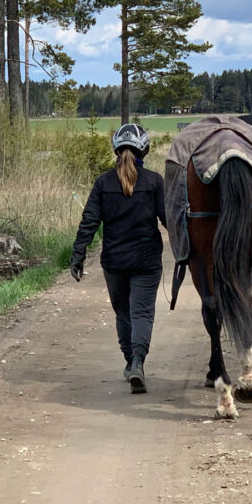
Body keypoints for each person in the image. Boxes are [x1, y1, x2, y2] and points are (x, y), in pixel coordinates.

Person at [70, 123, 166, 394]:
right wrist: (189, 248)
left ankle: (129, 361)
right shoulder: (154, 181)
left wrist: (78, 255)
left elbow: (89, 221)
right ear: (144, 149)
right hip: (147, 261)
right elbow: (169, 220)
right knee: (143, 312)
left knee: (123, 313)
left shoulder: (103, 183)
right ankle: (137, 361)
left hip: (114, 261)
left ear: (115, 149)